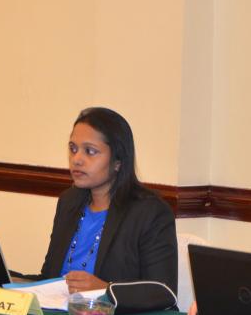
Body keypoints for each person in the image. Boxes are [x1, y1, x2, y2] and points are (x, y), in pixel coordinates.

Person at [38, 107, 178, 300]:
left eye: (90, 151)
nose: (76, 159)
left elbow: (163, 292)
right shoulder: (69, 202)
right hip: (59, 311)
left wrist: (106, 290)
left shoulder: (150, 213)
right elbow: (48, 277)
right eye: (73, 149)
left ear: (118, 161)